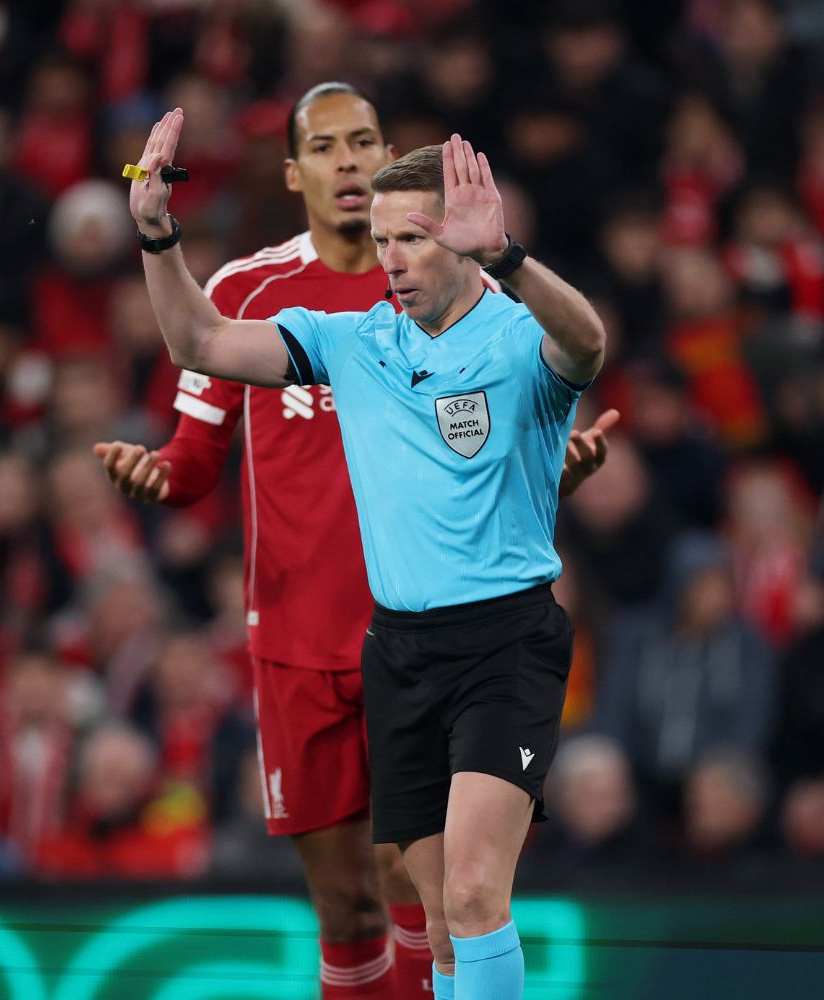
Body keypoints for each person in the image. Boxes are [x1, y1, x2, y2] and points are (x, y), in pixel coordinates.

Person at [98, 85, 614, 999]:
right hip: (400, 651)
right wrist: (155, 236)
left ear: (460, 235)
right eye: (382, 242)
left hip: (505, 647)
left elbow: (588, 346)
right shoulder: (354, 341)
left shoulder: (513, 330)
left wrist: (512, 256)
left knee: (470, 893)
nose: (393, 261)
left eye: (413, 237)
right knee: (437, 925)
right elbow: (200, 338)